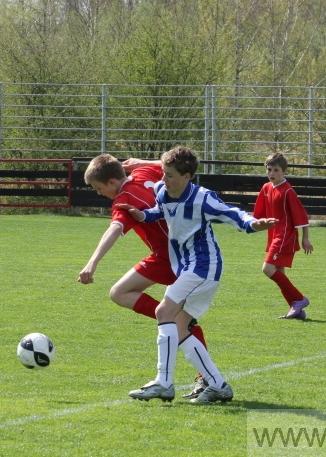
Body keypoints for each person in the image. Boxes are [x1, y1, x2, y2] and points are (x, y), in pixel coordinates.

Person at [119, 146, 276, 403]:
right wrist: (144, 215)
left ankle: (164, 382)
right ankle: (217, 384)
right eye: (163, 173)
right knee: (179, 326)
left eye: (169, 175)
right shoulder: (162, 191)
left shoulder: (202, 197)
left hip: (203, 266)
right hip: (189, 267)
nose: (164, 179)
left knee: (163, 312)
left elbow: (231, 213)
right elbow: (162, 211)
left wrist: (252, 223)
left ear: (187, 176)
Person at [77, 154, 208, 399]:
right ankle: (177, 320)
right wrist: (143, 163)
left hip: (168, 256)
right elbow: (173, 167)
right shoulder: (143, 174)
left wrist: (91, 264)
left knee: (120, 293)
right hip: (186, 249)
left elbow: (114, 230)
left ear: (113, 182)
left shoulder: (124, 200)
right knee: (124, 294)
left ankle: (178, 327)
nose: (98, 193)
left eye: (99, 188)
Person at [253, 152, 314, 319]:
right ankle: (296, 309)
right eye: (269, 169)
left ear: (284, 171)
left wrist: (305, 237)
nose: (272, 173)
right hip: (274, 236)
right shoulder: (266, 188)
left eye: (276, 170)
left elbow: (301, 215)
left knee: (267, 269)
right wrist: (246, 224)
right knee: (279, 272)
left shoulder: (288, 191)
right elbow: (258, 213)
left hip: (285, 237)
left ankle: (299, 299)